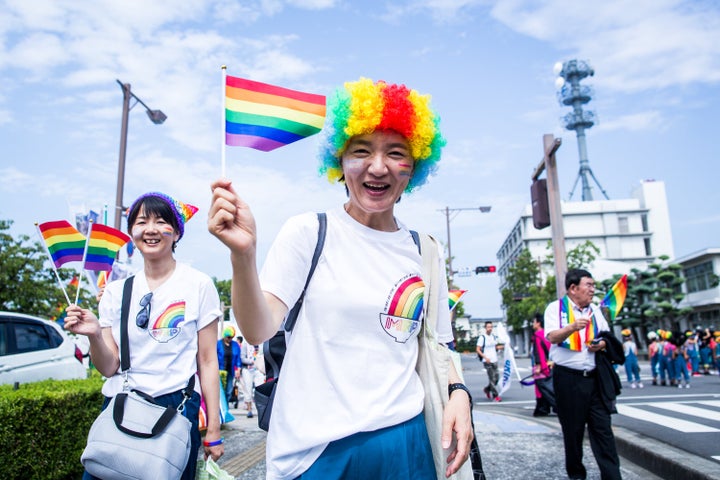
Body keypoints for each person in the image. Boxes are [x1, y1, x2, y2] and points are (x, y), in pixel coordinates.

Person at [208, 77, 473, 480]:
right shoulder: (308, 232)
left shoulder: (425, 250)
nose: (378, 166)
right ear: (339, 161)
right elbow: (259, 329)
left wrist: (459, 394)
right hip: (316, 454)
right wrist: (243, 256)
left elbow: (439, 343)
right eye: (361, 151)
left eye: (396, 153)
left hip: (406, 444)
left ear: (415, 166)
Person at [65, 192, 224, 480]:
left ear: (176, 232)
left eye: (161, 222)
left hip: (176, 407)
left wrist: (213, 427)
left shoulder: (199, 285)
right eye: (141, 222)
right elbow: (109, 367)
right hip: (121, 407)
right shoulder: (115, 291)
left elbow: (208, 360)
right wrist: (93, 336)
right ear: (132, 233)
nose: (150, 229)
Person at [544, 268, 623, 480]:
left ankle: (612, 476)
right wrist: (572, 327)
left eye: (593, 285)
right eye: (588, 285)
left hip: (595, 378)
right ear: (573, 288)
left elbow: (606, 336)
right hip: (568, 379)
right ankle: (577, 475)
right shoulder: (555, 308)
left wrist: (603, 344)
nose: (592, 289)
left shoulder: (595, 310)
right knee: (573, 432)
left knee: (603, 431)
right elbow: (551, 336)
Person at [531, 313, 554, 416]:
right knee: (548, 387)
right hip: (550, 365)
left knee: (541, 389)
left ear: (538, 323)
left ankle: (542, 409)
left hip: (542, 367)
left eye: (534, 322)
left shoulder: (537, 336)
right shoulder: (547, 335)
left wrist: (539, 366)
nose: (533, 324)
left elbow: (538, 352)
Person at [476, 321, 504, 401]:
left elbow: (495, 347)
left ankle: (487, 389)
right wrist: (485, 357)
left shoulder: (493, 337)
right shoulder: (482, 338)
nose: (490, 329)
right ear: (485, 328)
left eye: (491, 327)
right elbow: (478, 349)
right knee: (492, 378)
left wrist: (503, 347)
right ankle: (496, 395)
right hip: (487, 361)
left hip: (494, 360)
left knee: (496, 378)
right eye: (488, 327)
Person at [217, 326, 241, 403]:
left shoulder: (235, 345)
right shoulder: (218, 344)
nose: (229, 339)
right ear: (224, 336)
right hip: (220, 371)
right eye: (228, 337)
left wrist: (238, 369)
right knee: (221, 390)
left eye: (231, 337)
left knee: (229, 390)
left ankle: (226, 406)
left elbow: (238, 358)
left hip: (230, 371)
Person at [240, 338, 260, 418]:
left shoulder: (261, 342)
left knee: (260, 388)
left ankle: (260, 410)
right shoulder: (245, 344)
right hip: (248, 369)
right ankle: (249, 410)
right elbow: (242, 358)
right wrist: (252, 361)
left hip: (258, 370)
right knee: (248, 389)